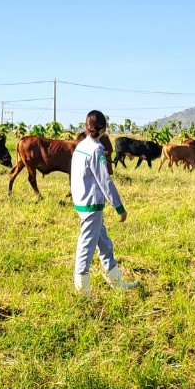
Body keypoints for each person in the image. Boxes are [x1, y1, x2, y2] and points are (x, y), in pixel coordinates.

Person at [70, 110, 136, 293]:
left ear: (86, 126)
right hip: (92, 204)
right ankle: (82, 292)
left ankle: (116, 281)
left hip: (81, 201)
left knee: (104, 242)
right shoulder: (97, 150)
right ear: (104, 129)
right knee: (86, 246)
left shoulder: (81, 146)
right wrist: (119, 207)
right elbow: (105, 180)